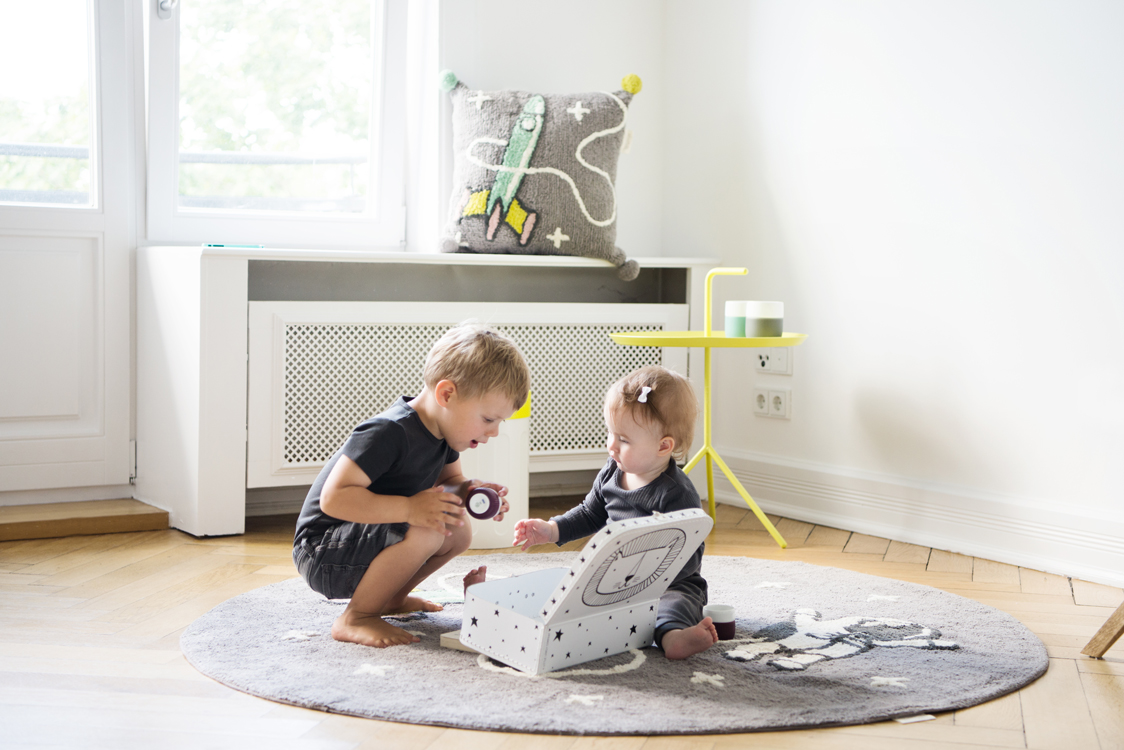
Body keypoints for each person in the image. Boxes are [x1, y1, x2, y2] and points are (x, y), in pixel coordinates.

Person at [293, 322, 530, 648]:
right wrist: (409, 508)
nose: (494, 432)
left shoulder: (445, 435)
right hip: (323, 553)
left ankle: (390, 598)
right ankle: (357, 616)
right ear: (447, 394)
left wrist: (469, 490)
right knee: (429, 526)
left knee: (456, 527)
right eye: (489, 419)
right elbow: (334, 499)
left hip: (363, 544)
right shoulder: (387, 432)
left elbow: (450, 482)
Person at [512, 365, 718, 660]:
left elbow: (689, 551)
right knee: (572, 594)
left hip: (666, 582)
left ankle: (675, 637)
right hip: (611, 578)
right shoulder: (612, 472)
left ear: (663, 446)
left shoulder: (676, 493)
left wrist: (648, 582)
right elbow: (589, 513)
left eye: (624, 439)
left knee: (672, 604)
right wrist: (551, 529)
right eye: (610, 433)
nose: (611, 446)